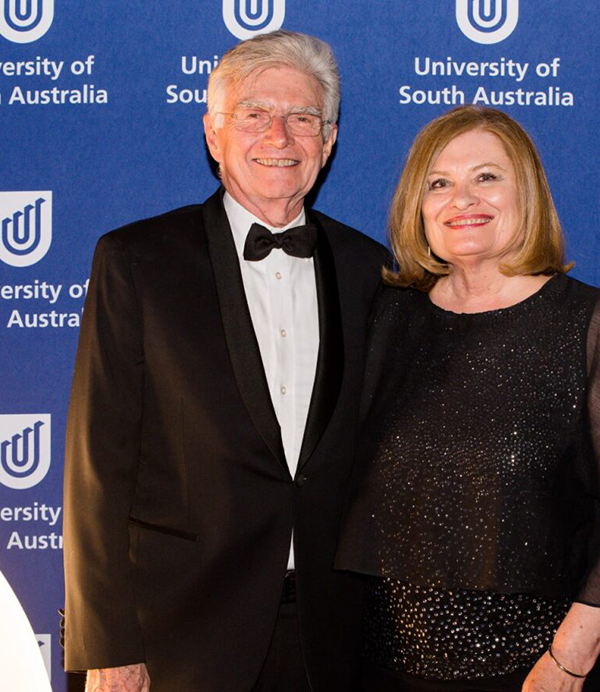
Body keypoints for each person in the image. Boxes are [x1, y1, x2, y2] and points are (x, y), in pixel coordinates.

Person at [63, 30, 387, 692]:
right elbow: (97, 469)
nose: (280, 136)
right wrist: (109, 645)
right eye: (255, 114)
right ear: (214, 136)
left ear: (327, 143)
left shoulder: (370, 270)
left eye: (302, 118)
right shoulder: (137, 262)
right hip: (181, 635)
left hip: (333, 637)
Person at [335, 106, 600, 692]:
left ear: (528, 193)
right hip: (383, 669)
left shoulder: (588, 323)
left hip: (536, 673)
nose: (461, 199)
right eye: (439, 183)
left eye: (487, 177)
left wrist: (568, 663)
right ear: (418, 205)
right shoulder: (388, 317)